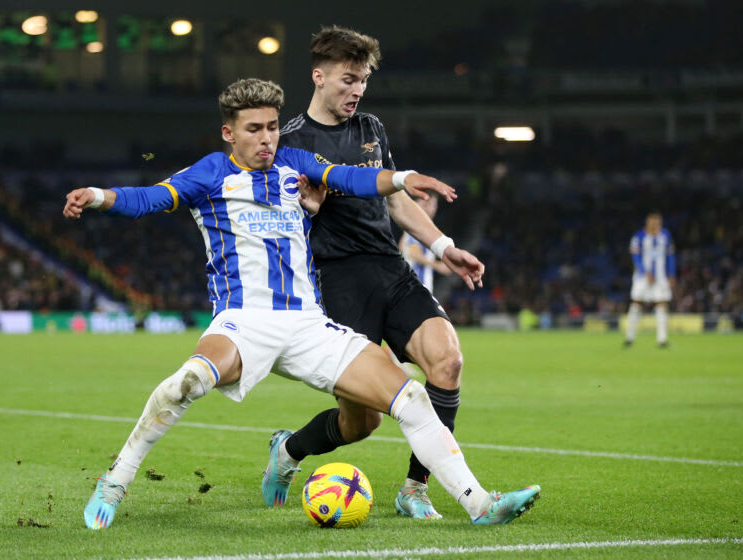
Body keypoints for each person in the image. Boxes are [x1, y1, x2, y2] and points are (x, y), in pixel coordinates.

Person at [65, 78, 539, 530]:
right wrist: (99, 196)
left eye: (272, 126)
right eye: (254, 129)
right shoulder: (211, 172)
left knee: (411, 398)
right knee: (185, 384)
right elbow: (148, 198)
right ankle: (116, 481)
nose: (267, 138)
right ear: (229, 133)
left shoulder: (295, 163)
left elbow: (350, 178)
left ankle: (480, 505)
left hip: (308, 324)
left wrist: (404, 177)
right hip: (243, 322)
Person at [263, 26, 484, 520]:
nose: (357, 90)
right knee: (360, 423)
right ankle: (289, 450)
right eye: (348, 79)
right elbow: (277, 227)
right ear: (319, 77)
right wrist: (309, 213)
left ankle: (414, 488)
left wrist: (444, 246)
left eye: (363, 80)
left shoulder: (371, 129)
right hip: (337, 282)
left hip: (391, 268)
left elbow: (396, 197)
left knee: (446, 362)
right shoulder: (290, 141)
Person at [625, 212, 676, 347]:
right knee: (636, 304)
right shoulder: (639, 236)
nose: (655, 225)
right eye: (652, 222)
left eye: (657, 222)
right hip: (642, 277)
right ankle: (629, 337)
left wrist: (671, 274)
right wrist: (644, 272)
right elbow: (635, 257)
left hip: (660, 277)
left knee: (661, 305)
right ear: (647, 223)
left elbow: (670, 256)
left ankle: (662, 340)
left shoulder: (665, 235)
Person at [400, 196, 451, 293]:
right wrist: (437, 266)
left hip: (419, 287)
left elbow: (402, 247)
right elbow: (412, 252)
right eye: (426, 204)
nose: (430, 209)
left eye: (434, 205)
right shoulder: (416, 226)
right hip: (416, 287)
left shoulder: (421, 227)